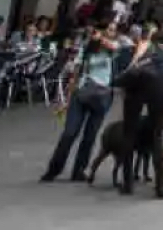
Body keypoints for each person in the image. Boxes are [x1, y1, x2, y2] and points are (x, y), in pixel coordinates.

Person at [41, 24, 119, 182]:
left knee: (90, 136)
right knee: (69, 133)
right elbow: (75, 74)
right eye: (109, 29)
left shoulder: (112, 47)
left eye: (113, 30)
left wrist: (100, 38)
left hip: (102, 96)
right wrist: (67, 98)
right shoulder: (86, 51)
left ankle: (79, 170)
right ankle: (54, 169)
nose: (112, 32)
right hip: (81, 93)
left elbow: (112, 47)